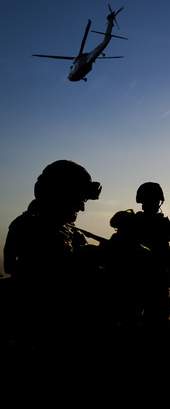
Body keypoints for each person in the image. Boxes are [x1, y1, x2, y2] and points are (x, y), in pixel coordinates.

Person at [3, 160, 107, 405]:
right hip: (47, 333)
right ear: (58, 194)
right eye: (78, 197)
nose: (82, 205)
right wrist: (90, 258)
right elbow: (49, 276)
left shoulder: (66, 229)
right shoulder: (32, 225)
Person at [133, 182, 170, 329]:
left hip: (157, 278)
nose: (152, 204)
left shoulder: (164, 224)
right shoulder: (134, 222)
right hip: (137, 278)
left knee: (157, 321)